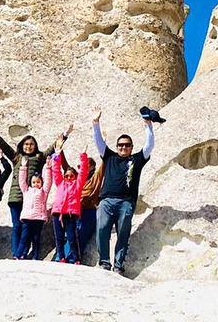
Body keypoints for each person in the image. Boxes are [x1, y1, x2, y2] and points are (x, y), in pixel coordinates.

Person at [0, 121, 73, 256]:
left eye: (31, 144)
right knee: (17, 226)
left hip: (32, 199)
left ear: (35, 146)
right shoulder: (16, 157)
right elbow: (4, 145)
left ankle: (24, 252)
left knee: (29, 228)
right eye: (26, 144)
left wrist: (65, 134)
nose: (28, 146)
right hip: (17, 195)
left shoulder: (40, 157)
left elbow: (54, 146)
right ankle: (16, 253)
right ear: (22, 145)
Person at [92, 106, 156, 274]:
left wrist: (148, 124)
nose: (123, 148)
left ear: (131, 146)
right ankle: (104, 261)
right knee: (102, 229)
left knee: (123, 233)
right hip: (106, 200)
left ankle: (118, 265)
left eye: (127, 145)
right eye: (120, 145)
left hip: (126, 203)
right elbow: (98, 142)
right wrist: (95, 123)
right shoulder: (109, 156)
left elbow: (149, 145)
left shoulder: (137, 159)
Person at [51, 139, 89, 264]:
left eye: (71, 176)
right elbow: (55, 170)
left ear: (75, 176)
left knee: (72, 238)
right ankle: (61, 257)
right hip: (58, 213)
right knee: (59, 237)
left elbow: (83, 172)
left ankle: (76, 258)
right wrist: (57, 154)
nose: (68, 177)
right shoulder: (60, 183)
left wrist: (83, 156)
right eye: (66, 175)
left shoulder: (78, 184)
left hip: (70, 214)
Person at [60, 155, 101, 262]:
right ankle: (62, 258)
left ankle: (73, 259)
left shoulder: (95, 178)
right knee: (69, 235)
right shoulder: (77, 178)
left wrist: (103, 150)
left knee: (80, 237)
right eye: (79, 165)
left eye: (84, 165)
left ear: (91, 167)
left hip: (89, 212)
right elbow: (66, 167)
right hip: (75, 211)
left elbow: (103, 167)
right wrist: (60, 151)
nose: (81, 167)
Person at [15, 155, 52, 260]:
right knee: (24, 238)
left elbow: (48, 182)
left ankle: (35, 257)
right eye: (34, 182)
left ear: (41, 183)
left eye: (38, 182)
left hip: (38, 218)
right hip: (27, 218)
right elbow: (22, 181)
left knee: (36, 239)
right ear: (31, 183)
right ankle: (18, 255)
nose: (36, 184)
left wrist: (48, 167)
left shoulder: (44, 191)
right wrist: (23, 167)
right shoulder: (26, 190)